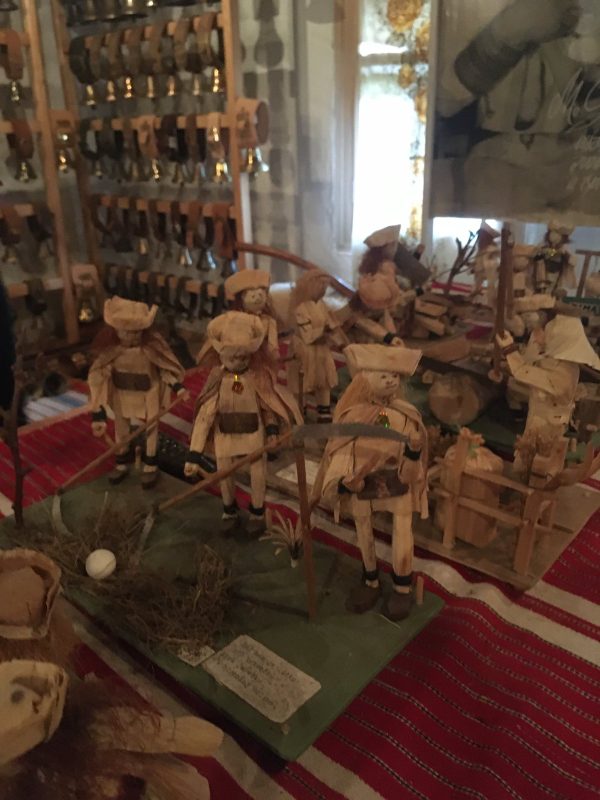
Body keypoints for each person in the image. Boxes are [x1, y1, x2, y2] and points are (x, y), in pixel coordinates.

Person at [434, 0, 600, 218]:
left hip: (577, 172)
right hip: (492, 174)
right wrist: (503, 33)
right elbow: (442, 100)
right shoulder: (464, 10)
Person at [312, 343, 427, 621]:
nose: (390, 381)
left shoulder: (406, 415)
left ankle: (402, 587)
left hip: (397, 482)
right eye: (383, 375)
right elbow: (340, 451)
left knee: (403, 529)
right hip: (362, 485)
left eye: (394, 376)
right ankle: (370, 579)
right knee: (363, 528)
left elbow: (412, 469)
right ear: (365, 379)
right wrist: (344, 482)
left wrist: (412, 453)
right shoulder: (352, 416)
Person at [185, 311, 301, 536]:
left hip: (253, 436)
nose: (238, 362)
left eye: (244, 358)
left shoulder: (257, 378)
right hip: (225, 436)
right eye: (233, 359)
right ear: (221, 356)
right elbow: (205, 417)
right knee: (224, 474)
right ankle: (229, 509)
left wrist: (272, 431)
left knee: (258, 474)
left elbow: (267, 407)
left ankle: (257, 511)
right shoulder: (217, 380)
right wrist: (194, 454)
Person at [88, 298, 186, 489]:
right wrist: (98, 413)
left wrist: (178, 388)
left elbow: (164, 371)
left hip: (149, 393)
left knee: (151, 428)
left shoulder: (150, 351)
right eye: (126, 331)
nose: (131, 336)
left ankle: (151, 463)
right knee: (121, 429)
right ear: (116, 331)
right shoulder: (111, 353)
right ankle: (122, 461)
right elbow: (98, 376)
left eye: (136, 332)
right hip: (121, 393)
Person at [497, 313, 600, 478]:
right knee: (527, 459)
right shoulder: (557, 363)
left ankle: (533, 487)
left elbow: (524, 371)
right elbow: (532, 365)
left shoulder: (564, 373)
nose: (544, 337)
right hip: (539, 419)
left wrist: (509, 349)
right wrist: (535, 345)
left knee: (538, 465)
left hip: (547, 427)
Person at [288, 269, 347, 422]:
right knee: (303, 384)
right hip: (305, 351)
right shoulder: (301, 309)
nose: (324, 289)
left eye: (325, 286)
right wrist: (324, 331)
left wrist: (341, 343)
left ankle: (324, 412)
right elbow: (307, 335)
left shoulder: (323, 305)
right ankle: (300, 412)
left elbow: (333, 325)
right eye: (321, 286)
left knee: (324, 382)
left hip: (321, 350)